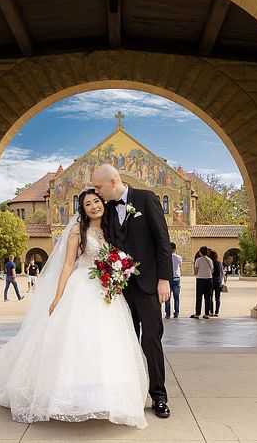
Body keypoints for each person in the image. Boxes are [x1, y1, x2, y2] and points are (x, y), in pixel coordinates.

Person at [0, 189, 148, 428]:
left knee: (105, 342)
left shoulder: (111, 230)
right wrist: (58, 296)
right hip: (81, 288)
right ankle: (69, 396)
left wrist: (116, 273)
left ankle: (101, 396)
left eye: (96, 201)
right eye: (87, 204)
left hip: (105, 292)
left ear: (103, 203)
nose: (94, 206)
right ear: (82, 210)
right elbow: (66, 266)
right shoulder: (77, 231)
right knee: (75, 340)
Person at [92, 164, 172, 419]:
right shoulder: (106, 211)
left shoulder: (146, 200)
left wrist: (164, 280)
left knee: (151, 340)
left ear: (113, 181)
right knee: (123, 342)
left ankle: (158, 396)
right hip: (119, 289)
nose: (96, 192)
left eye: (98, 187)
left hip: (148, 285)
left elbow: (162, 242)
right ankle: (128, 396)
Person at [191, 246, 213, 319]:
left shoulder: (198, 260)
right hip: (209, 279)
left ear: (200, 252)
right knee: (208, 297)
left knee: (199, 297)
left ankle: (197, 313)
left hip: (200, 279)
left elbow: (195, 272)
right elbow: (212, 271)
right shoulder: (210, 260)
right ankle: (206, 314)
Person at [164, 242, 181, 318]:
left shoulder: (165, 257)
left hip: (168, 278)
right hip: (176, 278)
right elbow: (180, 265)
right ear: (175, 249)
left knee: (167, 297)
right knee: (176, 297)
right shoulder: (178, 257)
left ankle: (168, 313)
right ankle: (176, 312)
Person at [210, 249, 224, 317]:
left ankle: (211, 312)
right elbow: (222, 273)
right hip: (218, 282)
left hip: (211, 282)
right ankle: (216, 312)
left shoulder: (210, 263)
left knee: (210, 297)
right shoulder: (219, 263)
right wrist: (222, 281)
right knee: (217, 298)